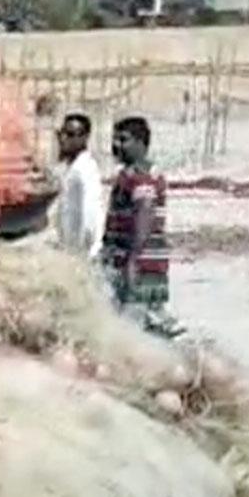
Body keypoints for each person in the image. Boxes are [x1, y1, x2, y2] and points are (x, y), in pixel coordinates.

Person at [101, 117, 176, 336]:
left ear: (141, 143)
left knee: (129, 330)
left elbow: (144, 213)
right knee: (146, 327)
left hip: (138, 266)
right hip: (142, 263)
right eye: (115, 139)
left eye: (123, 140)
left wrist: (132, 261)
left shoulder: (142, 177)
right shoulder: (132, 174)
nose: (116, 145)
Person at [50, 112, 105, 259]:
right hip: (70, 249)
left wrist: (84, 252)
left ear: (84, 137)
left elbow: (90, 212)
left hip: (82, 252)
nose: (64, 139)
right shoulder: (72, 167)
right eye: (62, 134)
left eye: (70, 134)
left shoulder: (84, 169)